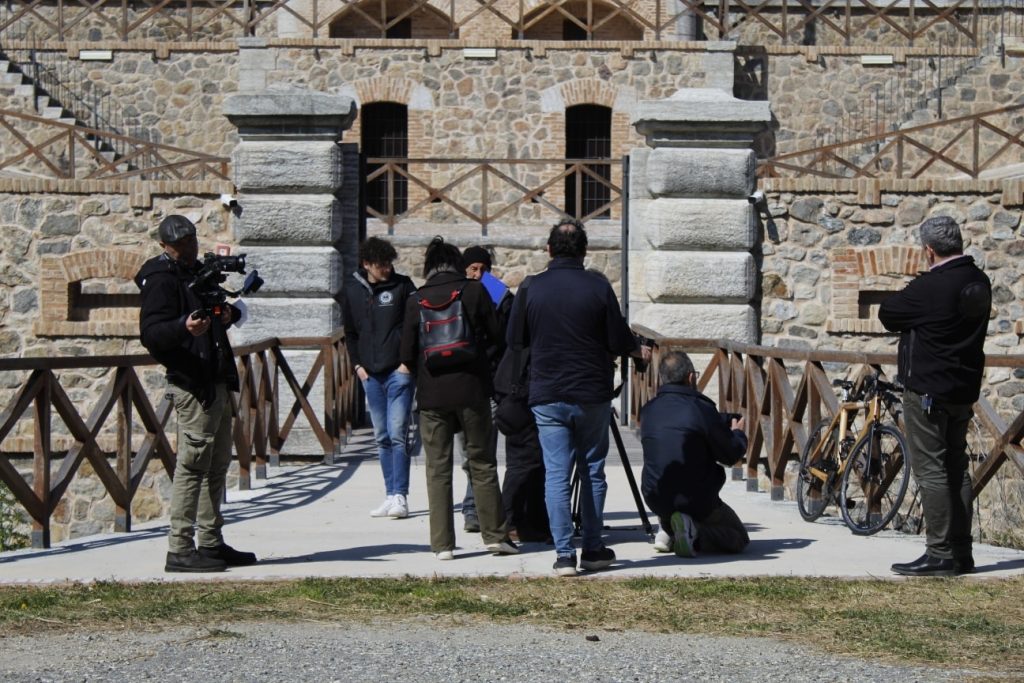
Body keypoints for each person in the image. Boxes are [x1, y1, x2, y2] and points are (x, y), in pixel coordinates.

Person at [507, 219, 645, 577]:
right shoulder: (598, 287)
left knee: (556, 474)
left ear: (549, 250)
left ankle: (564, 554)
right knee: (593, 471)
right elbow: (618, 340)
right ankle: (594, 548)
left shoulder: (531, 287)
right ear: (585, 251)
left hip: (547, 392)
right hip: (591, 392)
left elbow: (515, 339)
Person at [135, 214, 257, 573]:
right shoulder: (160, 279)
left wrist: (228, 314)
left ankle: (211, 542)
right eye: (181, 244)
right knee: (191, 466)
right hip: (191, 383)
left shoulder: (196, 273)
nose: (189, 248)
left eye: (191, 241)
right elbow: (152, 334)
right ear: (164, 247)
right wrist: (182, 327)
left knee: (217, 465)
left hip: (215, 378)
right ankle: (179, 548)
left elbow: (220, 311)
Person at [879, 216, 991, 577]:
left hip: (927, 390)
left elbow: (888, 313)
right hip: (963, 388)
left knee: (931, 470)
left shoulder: (932, 286)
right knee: (957, 468)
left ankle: (939, 553)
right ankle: (961, 552)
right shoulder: (979, 280)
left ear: (928, 250)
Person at [400, 237, 518, 560]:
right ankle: (494, 535)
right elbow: (498, 335)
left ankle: (442, 545)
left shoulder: (416, 299)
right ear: (456, 263)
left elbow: (406, 355)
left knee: (437, 469)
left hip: (432, 396)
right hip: (472, 391)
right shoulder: (475, 291)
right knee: (481, 463)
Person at [464, 246, 550, 543]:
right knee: (479, 453)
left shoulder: (500, 296)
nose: (477, 274)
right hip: (478, 383)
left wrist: (490, 285)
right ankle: (476, 511)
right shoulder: (462, 295)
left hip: (503, 384)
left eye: (482, 269)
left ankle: (515, 518)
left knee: (519, 456)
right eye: (472, 269)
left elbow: (511, 323)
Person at [639, 351, 750, 558]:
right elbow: (730, 455)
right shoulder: (701, 409)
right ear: (691, 377)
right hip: (696, 500)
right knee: (738, 537)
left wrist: (718, 420)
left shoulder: (648, 411)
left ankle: (668, 528)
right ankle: (692, 533)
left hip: (656, 497)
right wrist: (738, 435)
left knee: (671, 482)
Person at [341, 237, 418, 519]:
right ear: (366, 265)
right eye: (380, 264)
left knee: (398, 435)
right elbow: (349, 333)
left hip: (398, 373)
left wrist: (407, 364)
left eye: (388, 263)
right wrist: (358, 367)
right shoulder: (352, 291)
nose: (386, 269)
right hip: (370, 376)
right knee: (382, 436)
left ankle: (401, 495)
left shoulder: (403, 286)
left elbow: (416, 325)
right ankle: (389, 494)